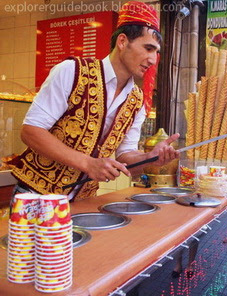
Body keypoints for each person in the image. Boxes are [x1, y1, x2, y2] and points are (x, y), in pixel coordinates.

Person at [7, 1, 179, 201]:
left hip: (83, 201)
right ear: (122, 42)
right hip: (36, 196)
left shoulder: (137, 100)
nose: (153, 59)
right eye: (148, 48)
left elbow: (125, 156)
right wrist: (88, 163)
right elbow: (31, 131)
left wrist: (148, 159)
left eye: (156, 52)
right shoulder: (72, 72)